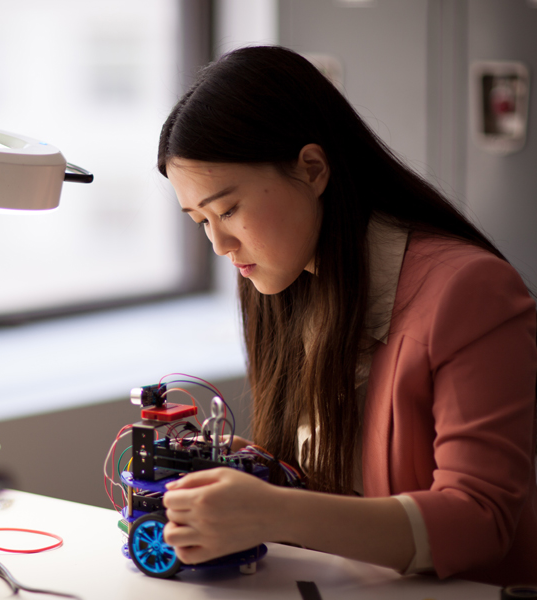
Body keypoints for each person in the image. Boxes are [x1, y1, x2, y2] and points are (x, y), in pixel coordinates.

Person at [156, 45, 537, 586]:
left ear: (312, 169)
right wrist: (265, 474)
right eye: (199, 221)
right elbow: (336, 486)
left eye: (228, 209)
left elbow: (480, 520)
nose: (219, 243)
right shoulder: (283, 281)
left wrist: (271, 509)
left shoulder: (470, 291)